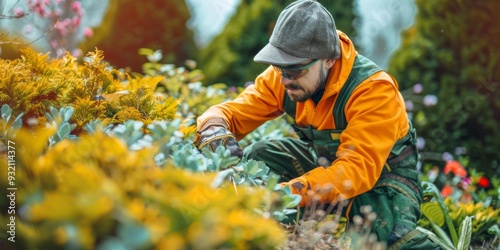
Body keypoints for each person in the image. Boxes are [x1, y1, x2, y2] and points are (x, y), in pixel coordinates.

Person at [195, 0, 441, 248]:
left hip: (382, 180)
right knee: (261, 156)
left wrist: (287, 193)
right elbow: (236, 112)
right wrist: (213, 127)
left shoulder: (373, 90)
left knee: (376, 240)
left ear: (329, 60)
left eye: (295, 70)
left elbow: (355, 171)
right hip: (326, 167)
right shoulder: (283, 76)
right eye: (280, 67)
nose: (285, 79)